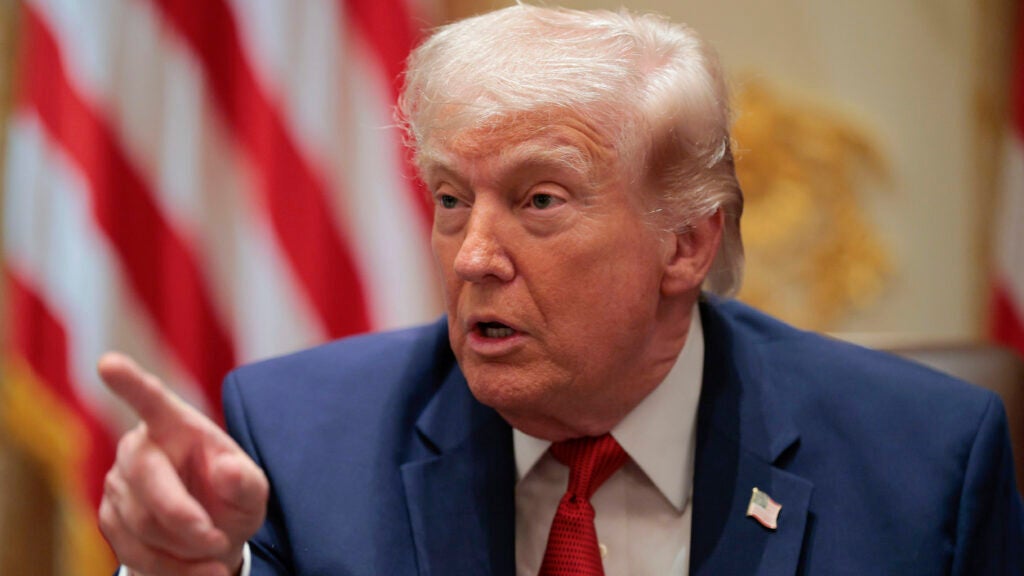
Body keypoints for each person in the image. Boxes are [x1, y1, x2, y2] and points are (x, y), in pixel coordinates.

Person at [97, 4, 1023, 575]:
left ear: (686, 244)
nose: (471, 257)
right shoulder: (297, 441)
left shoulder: (925, 461)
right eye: (451, 199)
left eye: (539, 200)